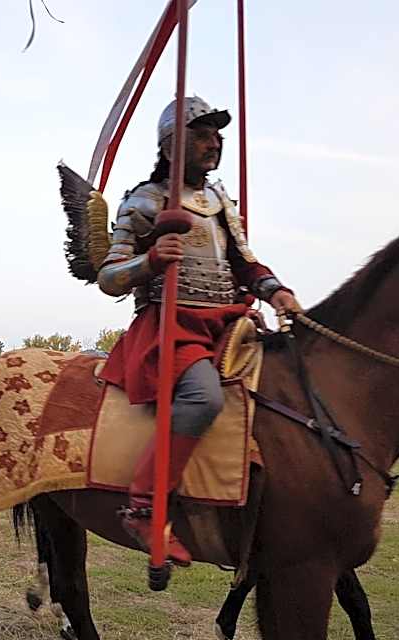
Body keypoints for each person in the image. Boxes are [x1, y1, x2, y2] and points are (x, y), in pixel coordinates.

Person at [97, 96, 300, 565]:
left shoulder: (219, 202)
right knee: (204, 397)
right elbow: (108, 278)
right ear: (172, 146)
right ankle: (145, 505)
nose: (215, 144)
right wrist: (148, 262)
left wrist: (276, 292)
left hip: (229, 324)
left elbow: (245, 264)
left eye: (218, 136)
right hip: (172, 327)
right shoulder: (144, 201)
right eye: (203, 135)